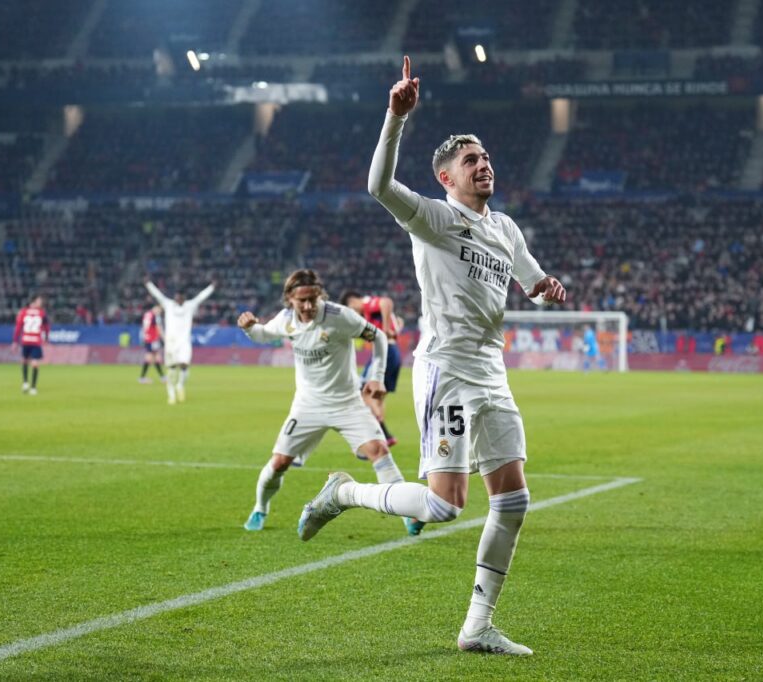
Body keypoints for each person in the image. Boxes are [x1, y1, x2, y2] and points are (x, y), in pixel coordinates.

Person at [297, 56, 566, 656]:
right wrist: (395, 117)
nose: (483, 164)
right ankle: (343, 492)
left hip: (492, 373)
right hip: (448, 371)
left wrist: (545, 286)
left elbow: (530, 279)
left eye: (485, 156)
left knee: (513, 500)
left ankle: (477, 626)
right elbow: (378, 187)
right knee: (445, 505)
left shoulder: (506, 229)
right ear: (446, 177)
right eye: (471, 160)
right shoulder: (435, 218)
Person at [237, 269, 421, 536]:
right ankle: (260, 508)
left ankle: (408, 515)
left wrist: (377, 377)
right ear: (290, 299)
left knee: (379, 450)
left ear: (320, 295)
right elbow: (263, 334)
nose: (308, 306)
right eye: (302, 301)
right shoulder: (286, 319)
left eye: (313, 299)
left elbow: (379, 336)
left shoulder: (339, 316)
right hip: (308, 405)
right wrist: (249, 328)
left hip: (347, 402)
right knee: (279, 463)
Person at [339, 290, 402, 446]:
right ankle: (383, 437)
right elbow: (398, 321)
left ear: (352, 302)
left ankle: (381, 435)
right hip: (392, 352)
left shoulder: (366, 303)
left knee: (364, 392)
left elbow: (386, 301)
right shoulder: (368, 315)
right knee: (377, 397)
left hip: (385, 353)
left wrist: (385, 329)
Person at [144, 278, 215, 405]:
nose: (179, 300)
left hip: (184, 342)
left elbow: (201, 297)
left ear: (184, 298)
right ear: (175, 297)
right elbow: (157, 295)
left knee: (184, 365)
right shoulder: (168, 304)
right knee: (171, 369)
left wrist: (212, 287)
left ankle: (180, 385)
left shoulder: (189, 305)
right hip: (171, 342)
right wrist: (149, 284)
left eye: (181, 298)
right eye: (177, 298)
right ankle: (171, 395)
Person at [11, 295, 49, 396]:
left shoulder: (23, 312)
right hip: (36, 341)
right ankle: (33, 388)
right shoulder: (42, 313)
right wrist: (46, 337)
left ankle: (25, 383)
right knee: (35, 363)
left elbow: (18, 327)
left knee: (24, 360)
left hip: (26, 340)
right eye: (39, 301)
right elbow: (46, 326)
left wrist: (15, 341)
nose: (41, 303)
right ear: (34, 302)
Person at [138, 304, 165, 384]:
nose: (159, 312)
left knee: (156, 357)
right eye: (159, 310)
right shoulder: (155, 316)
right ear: (155, 308)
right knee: (150, 358)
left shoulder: (147, 314)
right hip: (152, 339)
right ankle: (142, 378)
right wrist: (164, 339)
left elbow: (144, 327)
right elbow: (158, 328)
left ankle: (162, 377)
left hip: (148, 338)